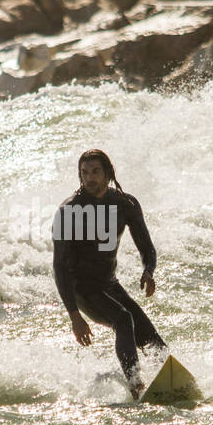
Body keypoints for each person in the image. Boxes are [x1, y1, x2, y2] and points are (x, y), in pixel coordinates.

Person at [52, 149, 167, 397]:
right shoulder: (69, 211)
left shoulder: (125, 204)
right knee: (123, 319)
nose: (89, 178)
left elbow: (146, 247)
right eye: (84, 173)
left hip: (108, 283)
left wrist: (148, 271)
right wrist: (74, 315)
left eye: (95, 172)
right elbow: (59, 267)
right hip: (80, 287)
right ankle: (136, 385)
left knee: (153, 343)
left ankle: (171, 381)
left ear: (108, 173)